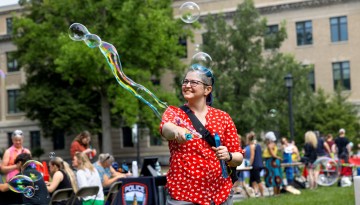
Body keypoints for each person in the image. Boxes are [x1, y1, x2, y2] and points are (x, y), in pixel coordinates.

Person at [160, 66, 243, 205]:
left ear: (207, 89)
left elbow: (238, 157)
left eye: (193, 82)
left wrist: (228, 156)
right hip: (184, 195)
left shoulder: (223, 117)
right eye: (185, 81)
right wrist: (176, 130)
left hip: (220, 195)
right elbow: (166, 128)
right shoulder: (174, 113)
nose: (187, 85)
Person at [246, 132, 264, 197]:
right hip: (259, 164)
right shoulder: (257, 145)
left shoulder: (252, 146)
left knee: (258, 180)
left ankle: (262, 194)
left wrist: (249, 165)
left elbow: (252, 156)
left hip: (255, 165)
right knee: (253, 180)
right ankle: (255, 193)